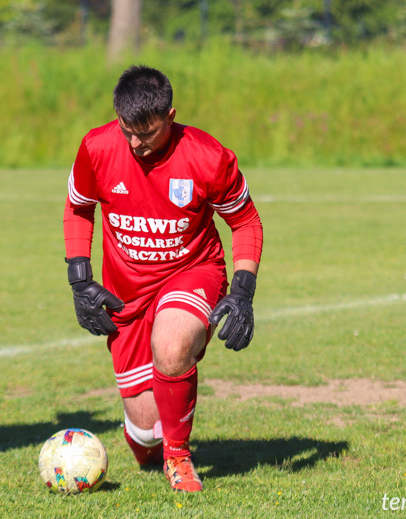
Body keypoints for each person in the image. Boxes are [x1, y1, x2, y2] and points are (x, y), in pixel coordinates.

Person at [63, 65, 263, 492]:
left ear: (170, 116)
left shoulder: (208, 157)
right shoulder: (97, 147)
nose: (136, 144)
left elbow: (246, 223)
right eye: (128, 131)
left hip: (193, 271)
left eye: (148, 133)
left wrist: (243, 291)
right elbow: (78, 207)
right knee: (146, 432)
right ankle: (155, 442)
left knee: (172, 347)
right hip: (126, 293)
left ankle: (180, 458)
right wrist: (80, 280)